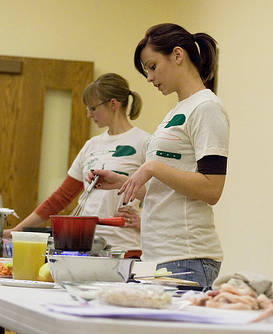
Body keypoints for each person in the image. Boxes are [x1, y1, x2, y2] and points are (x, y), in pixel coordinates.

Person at [87, 24, 229, 286]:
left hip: (187, 257)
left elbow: (212, 189)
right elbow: (165, 193)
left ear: (177, 55)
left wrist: (151, 168)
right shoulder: (176, 112)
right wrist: (123, 181)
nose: (149, 78)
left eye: (152, 67)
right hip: (157, 257)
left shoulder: (206, 108)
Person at [3, 73, 151, 258]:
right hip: (85, 247)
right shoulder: (92, 145)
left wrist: (144, 221)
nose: (89, 114)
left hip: (125, 248)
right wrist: (16, 231)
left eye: (92, 108)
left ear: (113, 104)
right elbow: (60, 199)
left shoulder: (144, 142)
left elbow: (164, 195)